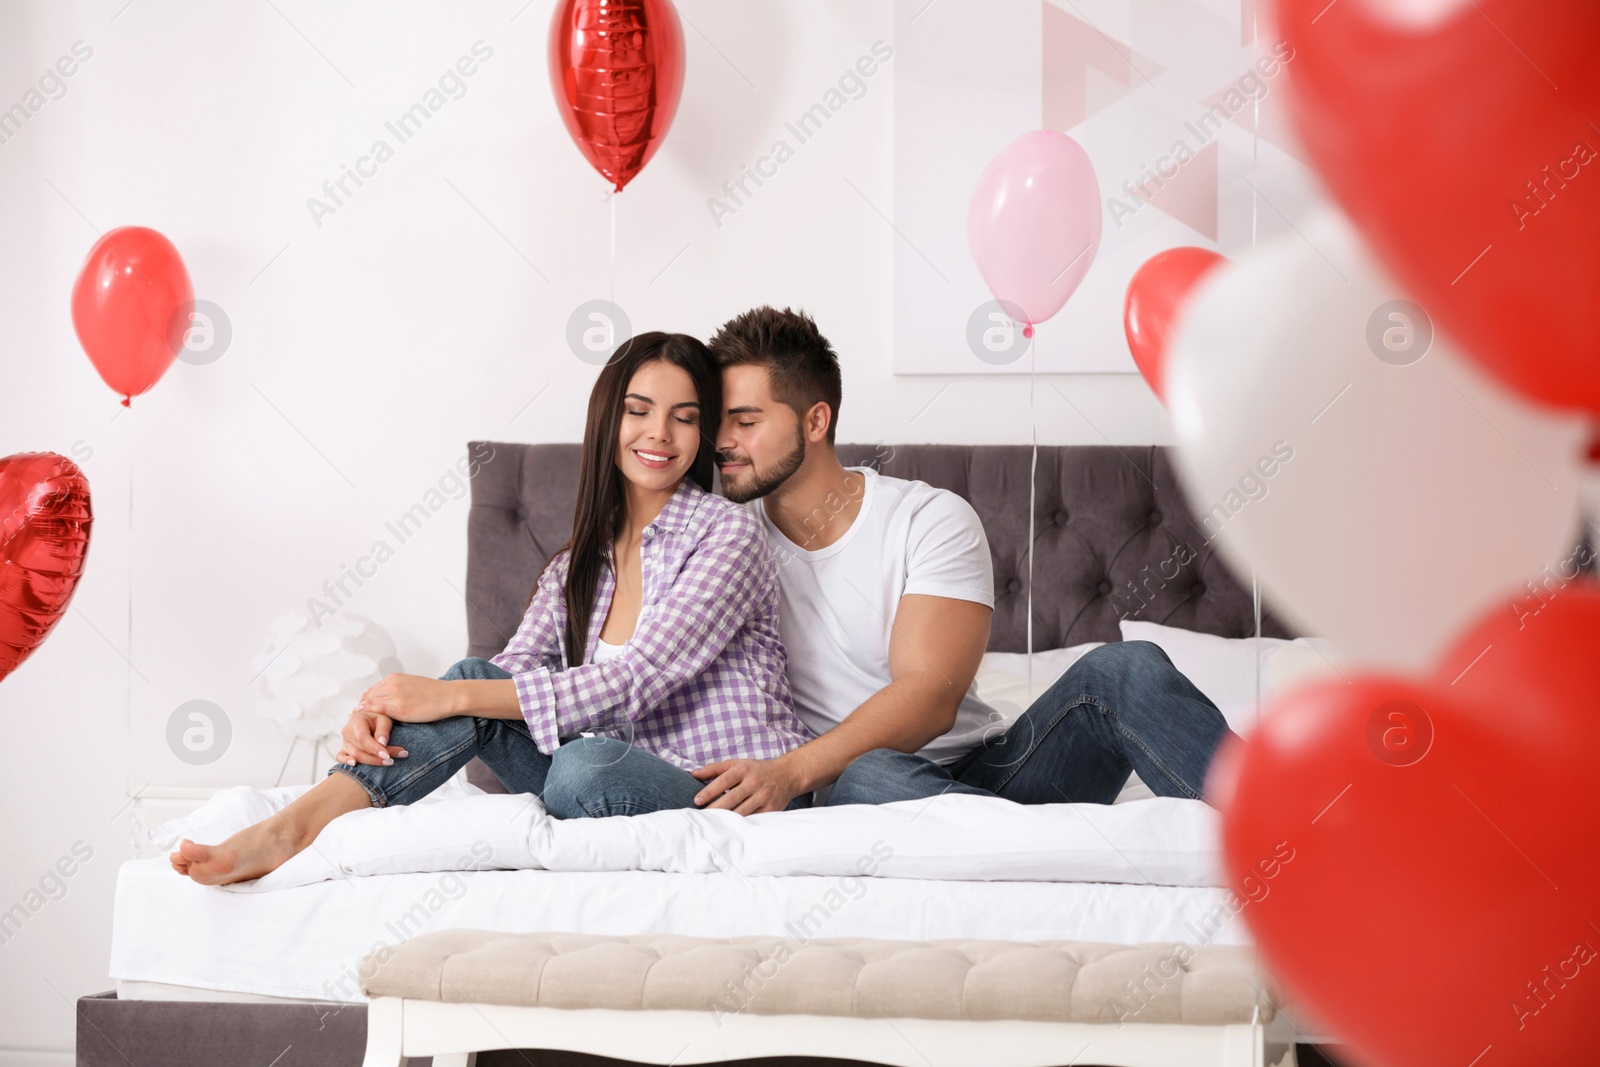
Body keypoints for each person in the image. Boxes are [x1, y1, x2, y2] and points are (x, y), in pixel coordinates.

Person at [171, 331, 813, 886]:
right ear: (606, 423)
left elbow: (634, 680)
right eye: (638, 410)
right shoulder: (575, 567)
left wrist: (445, 699)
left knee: (580, 767)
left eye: (685, 416)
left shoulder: (728, 534)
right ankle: (293, 828)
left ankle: (299, 824)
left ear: (702, 435)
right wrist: (383, 711)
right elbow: (502, 677)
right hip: (592, 775)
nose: (659, 434)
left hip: (714, 791)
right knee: (484, 688)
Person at [686, 306, 1240, 813]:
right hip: (860, 794)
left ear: (815, 421)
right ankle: (1043, 856)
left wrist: (790, 773)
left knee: (1127, 667)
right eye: (719, 421)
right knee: (870, 779)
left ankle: (1289, 833)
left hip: (990, 777)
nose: (722, 440)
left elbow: (929, 699)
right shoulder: (717, 544)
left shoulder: (926, 518)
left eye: (746, 421)